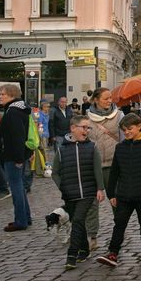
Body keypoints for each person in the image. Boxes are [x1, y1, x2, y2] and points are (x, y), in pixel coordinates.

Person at [96, 113, 141, 267]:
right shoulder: (120, 147)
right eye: (124, 130)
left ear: (138, 126)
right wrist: (112, 193)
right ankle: (113, 252)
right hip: (123, 193)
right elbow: (115, 172)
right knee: (119, 223)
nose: (127, 132)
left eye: (130, 129)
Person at [52, 115, 106, 269]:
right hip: (70, 194)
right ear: (73, 128)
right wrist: (62, 187)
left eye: (88, 128)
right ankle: (84, 249)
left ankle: (71, 255)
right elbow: (55, 172)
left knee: (77, 220)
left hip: (88, 193)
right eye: (84, 127)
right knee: (79, 221)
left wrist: (100, 188)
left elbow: (97, 169)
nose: (86, 130)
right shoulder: (62, 150)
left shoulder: (92, 147)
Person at [85, 87, 122, 251]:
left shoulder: (119, 116)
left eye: (110, 98)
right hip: (93, 166)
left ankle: (119, 231)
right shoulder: (86, 118)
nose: (109, 101)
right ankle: (91, 236)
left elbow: (124, 139)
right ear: (96, 100)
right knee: (92, 203)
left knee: (116, 201)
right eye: (106, 98)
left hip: (114, 165)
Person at [0, 83, 33, 232]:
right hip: (15, 155)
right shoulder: (16, 110)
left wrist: (18, 158)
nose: (0, 97)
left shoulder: (13, 112)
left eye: (3, 94)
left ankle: (20, 220)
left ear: (12, 95)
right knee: (19, 187)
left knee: (16, 187)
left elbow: (17, 136)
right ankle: (25, 217)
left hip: (13, 156)